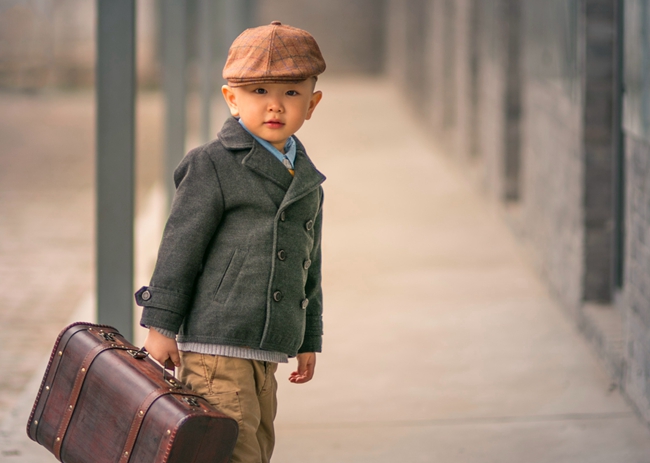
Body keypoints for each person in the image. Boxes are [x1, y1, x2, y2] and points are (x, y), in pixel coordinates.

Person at [134, 21, 326, 463]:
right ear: (231, 99)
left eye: (291, 93)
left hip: (266, 348)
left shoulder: (308, 181)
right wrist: (161, 326)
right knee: (234, 452)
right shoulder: (213, 165)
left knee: (257, 446)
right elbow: (180, 248)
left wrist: (308, 335)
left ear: (312, 104)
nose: (275, 105)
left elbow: (309, 264)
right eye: (258, 91)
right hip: (215, 347)